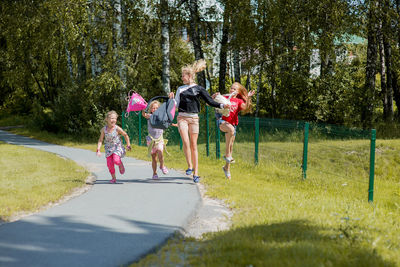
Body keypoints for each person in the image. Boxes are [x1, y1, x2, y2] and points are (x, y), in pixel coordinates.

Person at [169, 59, 230, 183]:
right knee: (185, 142)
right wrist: (171, 100)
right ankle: (189, 166)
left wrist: (223, 106)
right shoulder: (180, 89)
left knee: (193, 145)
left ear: (190, 76)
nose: (181, 78)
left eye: (183, 76)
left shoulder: (199, 89)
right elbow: (175, 105)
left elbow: (210, 101)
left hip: (194, 118)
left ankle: (196, 173)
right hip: (182, 117)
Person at [213, 82, 254, 179]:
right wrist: (213, 96)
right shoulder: (225, 97)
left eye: (234, 89)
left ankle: (226, 168)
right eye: (231, 88)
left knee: (231, 147)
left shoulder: (238, 101)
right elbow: (211, 102)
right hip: (222, 122)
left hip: (233, 124)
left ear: (238, 92)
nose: (232, 90)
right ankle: (227, 155)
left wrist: (248, 97)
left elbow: (245, 107)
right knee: (230, 130)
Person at [97, 110, 131, 183]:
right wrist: (98, 149)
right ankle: (113, 178)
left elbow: (125, 135)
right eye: (112, 118)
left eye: (115, 118)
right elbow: (100, 140)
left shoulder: (117, 128)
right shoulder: (104, 129)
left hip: (117, 147)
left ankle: (120, 164)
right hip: (108, 149)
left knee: (116, 160)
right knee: (109, 164)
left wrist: (128, 144)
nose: (114, 120)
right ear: (107, 119)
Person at [142, 100, 172, 180]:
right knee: (154, 158)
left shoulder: (161, 116)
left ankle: (162, 166)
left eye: (157, 108)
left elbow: (168, 120)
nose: (155, 109)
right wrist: (143, 108)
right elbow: (144, 114)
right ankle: (154, 173)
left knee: (160, 151)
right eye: (153, 108)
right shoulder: (150, 116)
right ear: (150, 109)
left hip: (159, 138)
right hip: (151, 140)